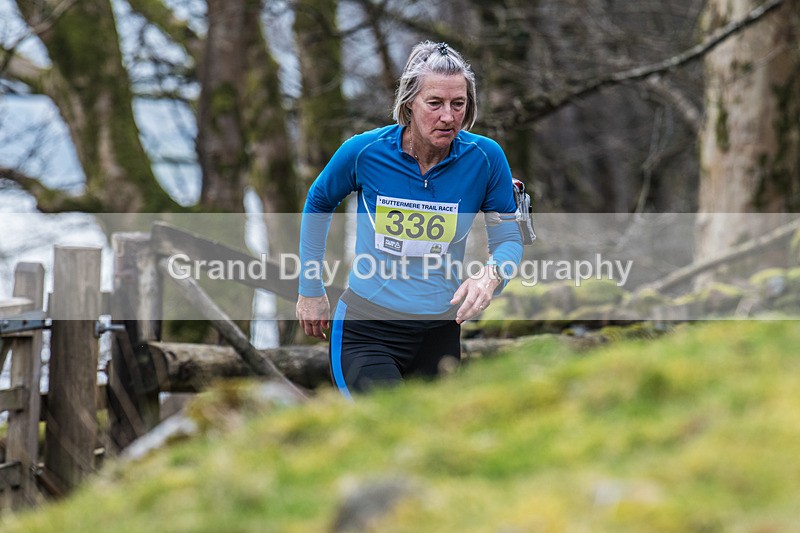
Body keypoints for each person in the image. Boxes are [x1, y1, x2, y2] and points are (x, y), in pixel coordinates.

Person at [296, 40, 523, 397]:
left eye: (458, 104)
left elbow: (509, 239)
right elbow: (318, 201)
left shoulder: (486, 158)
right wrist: (310, 289)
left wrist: (491, 276)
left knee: (430, 442)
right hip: (367, 328)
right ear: (409, 104)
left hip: (439, 331)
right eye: (434, 103)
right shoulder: (364, 152)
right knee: (385, 427)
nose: (448, 116)